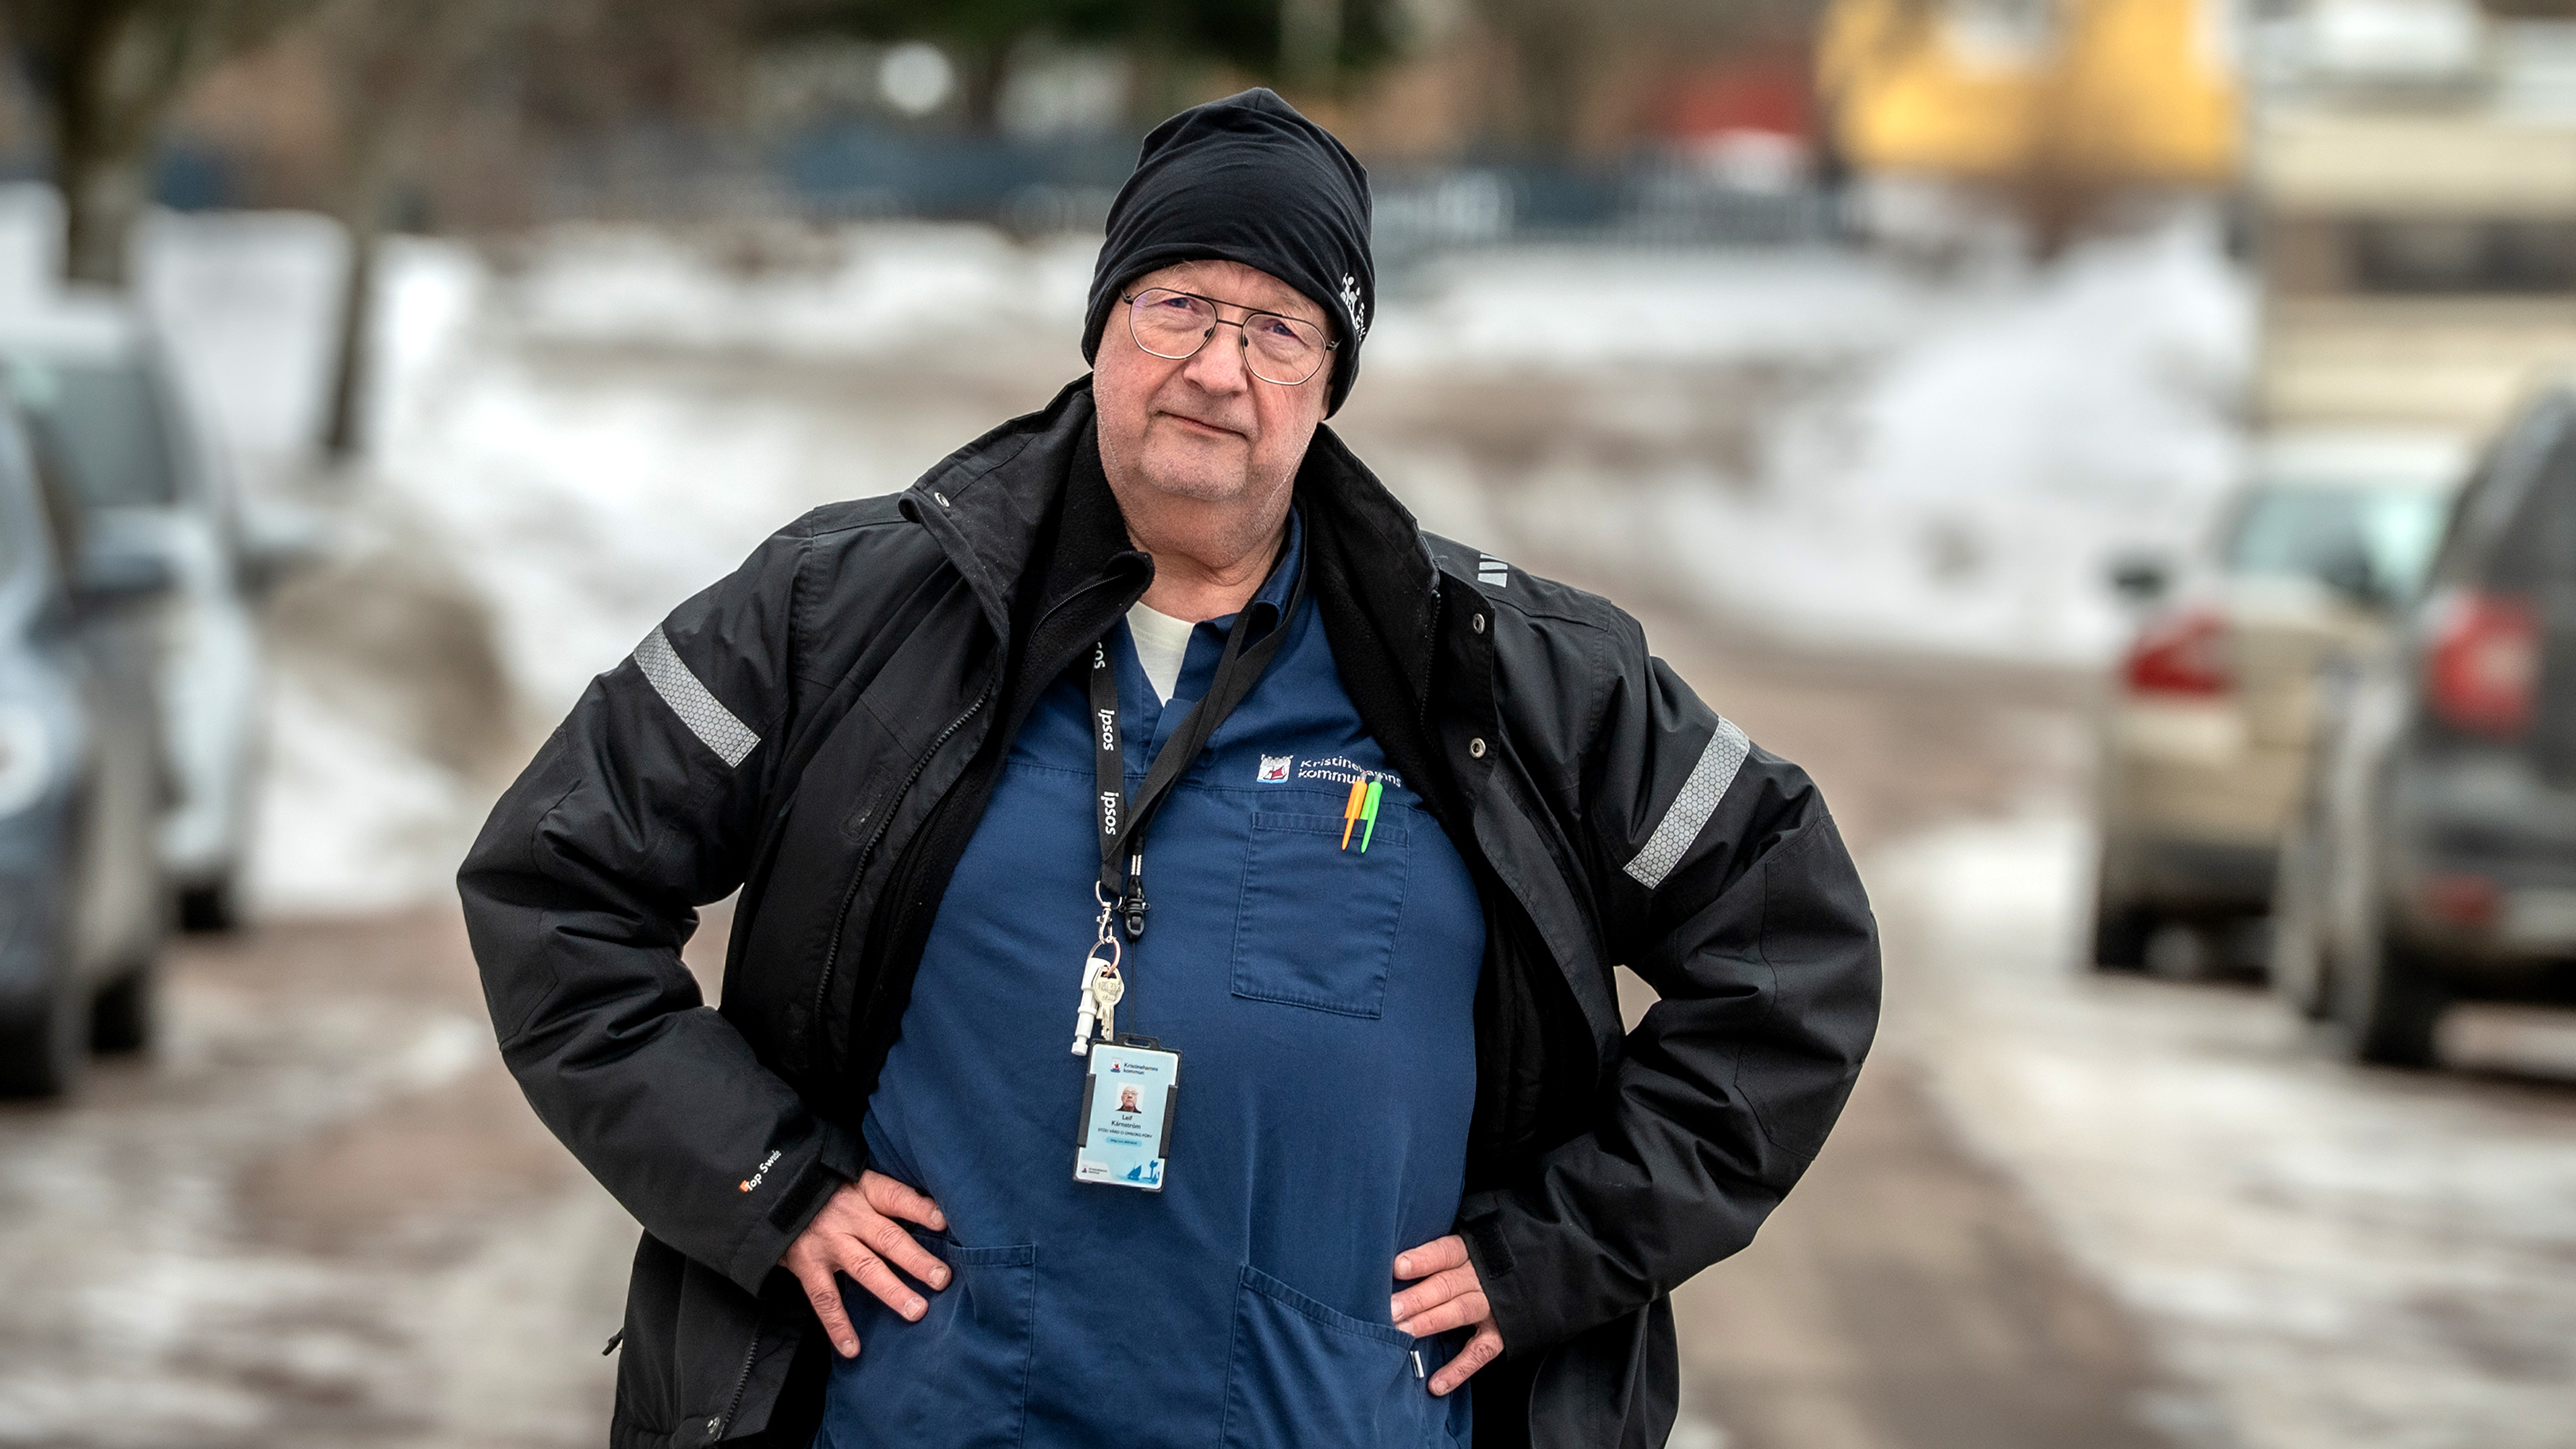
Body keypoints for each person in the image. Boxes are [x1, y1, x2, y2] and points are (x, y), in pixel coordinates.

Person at [460, 89, 1879, 1449]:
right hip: (922, 1418)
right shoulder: (846, 608)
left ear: (1332, 381)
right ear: (1102, 327)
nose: (1217, 366)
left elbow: (1786, 948)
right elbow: (555, 881)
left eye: (1277, 326)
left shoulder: (1511, 672)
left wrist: (1561, 1253)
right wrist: (764, 1180)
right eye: (1178, 304)